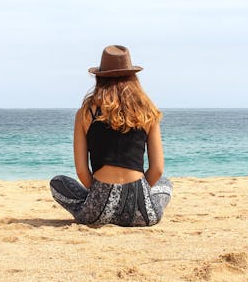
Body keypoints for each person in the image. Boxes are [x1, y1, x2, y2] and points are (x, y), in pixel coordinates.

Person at [49, 45, 173, 227]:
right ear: (133, 78)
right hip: (142, 213)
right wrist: (137, 192)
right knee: (164, 183)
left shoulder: (85, 113)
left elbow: (82, 172)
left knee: (57, 182)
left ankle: (95, 203)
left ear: (100, 78)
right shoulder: (147, 112)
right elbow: (157, 170)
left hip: (98, 213)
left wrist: (101, 193)